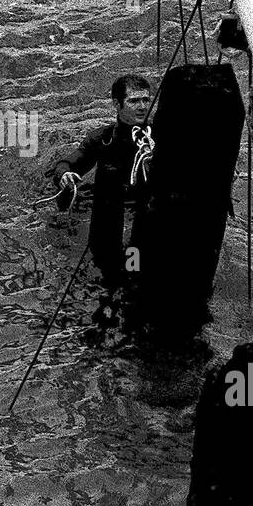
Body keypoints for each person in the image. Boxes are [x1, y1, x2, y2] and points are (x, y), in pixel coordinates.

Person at [50, 74, 153, 322]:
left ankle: (127, 302)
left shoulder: (158, 139)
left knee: (133, 270)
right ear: (117, 105)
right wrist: (65, 175)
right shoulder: (102, 139)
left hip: (140, 222)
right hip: (109, 218)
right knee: (108, 276)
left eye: (146, 100)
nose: (142, 107)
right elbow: (69, 162)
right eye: (134, 101)